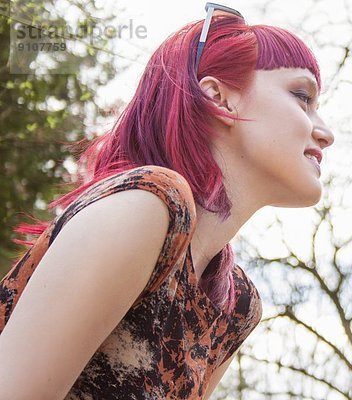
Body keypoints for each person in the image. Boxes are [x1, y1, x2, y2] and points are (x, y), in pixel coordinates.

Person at [0, 2, 334, 399]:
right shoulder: (149, 204)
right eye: (302, 96)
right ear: (218, 98)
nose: (325, 132)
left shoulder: (233, 305)